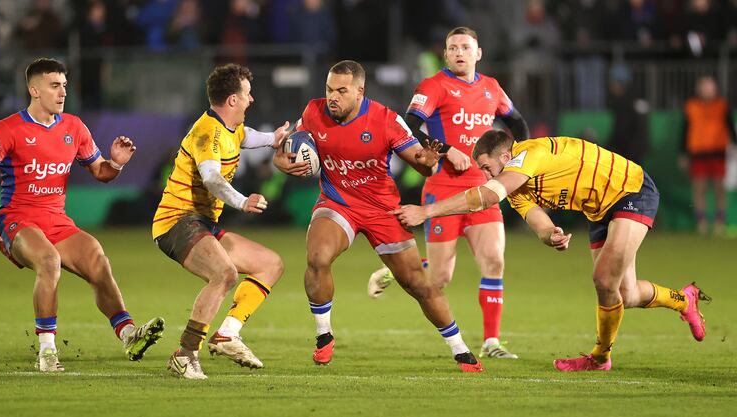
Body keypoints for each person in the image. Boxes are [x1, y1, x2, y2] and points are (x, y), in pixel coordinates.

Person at [392, 130, 711, 372]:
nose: (486, 175)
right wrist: (550, 234)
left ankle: (600, 358)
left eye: (487, 168)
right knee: (623, 293)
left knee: (603, 280)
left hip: (630, 189)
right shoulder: (518, 190)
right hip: (599, 210)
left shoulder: (528, 155)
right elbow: (536, 219)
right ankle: (684, 299)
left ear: (504, 157)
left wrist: (427, 212)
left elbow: (486, 197)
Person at [273, 60, 484, 372]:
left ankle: (460, 349)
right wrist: (281, 162)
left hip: (382, 210)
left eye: (341, 91)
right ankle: (323, 335)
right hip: (337, 202)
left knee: (417, 284)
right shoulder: (313, 112)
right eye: (329, 89)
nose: (333, 97)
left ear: (360, 91)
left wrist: (428, 161)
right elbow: (289, 151)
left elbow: (422, 164)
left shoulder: (386, 119)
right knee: (318, 257)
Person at [0, 58, 164, 373]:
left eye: (64, 86)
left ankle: (128, 334)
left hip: (57, 220)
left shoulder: (74, 127)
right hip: (17, 219)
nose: (62, 93)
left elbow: (100, 171)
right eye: (54, 85)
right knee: (48, 262)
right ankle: (46, 352)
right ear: (34, 90)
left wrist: (116, 163)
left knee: (98, 260)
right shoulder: (7, 129)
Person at [368, 26, 529, 359]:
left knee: (494, 261)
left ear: (478, 53)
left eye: (465, 47)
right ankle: (394, 270)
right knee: (440, 277)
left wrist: (517, 156)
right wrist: (446, 148)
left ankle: (492, 342)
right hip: (443, 190)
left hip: (484, 189)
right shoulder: (434, 86)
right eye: (453, 47)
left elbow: (517, 123)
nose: (459, 52)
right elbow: (407, 125)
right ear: (445, 54)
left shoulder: (491, 88)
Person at [154, 63, 293, 380]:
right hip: (177, 220)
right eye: (247, 93)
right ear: (232, 100)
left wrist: (274, 138)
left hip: (202, 223)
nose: (251, 99)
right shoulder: (207, 132)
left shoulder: (231, 128)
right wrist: (243, 201)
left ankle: (227, 334)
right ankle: (185, 354)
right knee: (224, 274)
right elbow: (212, 179)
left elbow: (245, 137)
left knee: (270, 264)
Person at [679, 75, 737, 236]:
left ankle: (719, 222)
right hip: (697, 152)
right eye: (703, 86)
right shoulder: (691, 106)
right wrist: (682, 153)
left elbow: (730, 127)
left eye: (709, 86)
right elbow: (685, 131)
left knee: (719, 188)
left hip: (718, 152)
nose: (706, 90)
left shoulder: (722, 105)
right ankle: (702, 223)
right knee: (699, 189)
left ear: (715, 89)